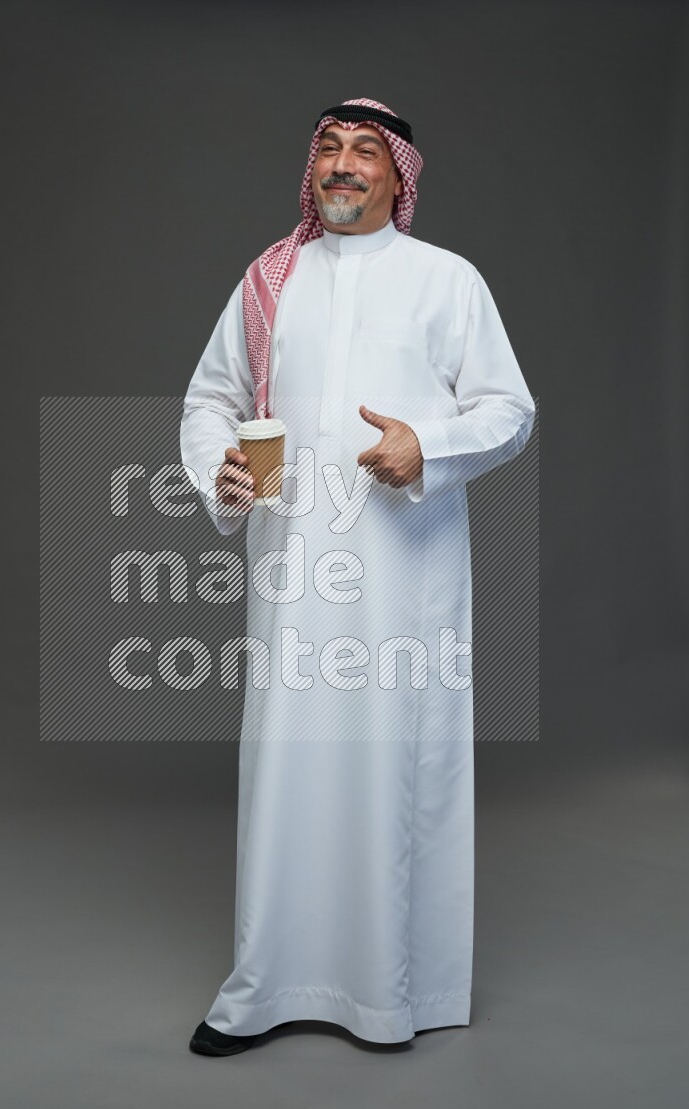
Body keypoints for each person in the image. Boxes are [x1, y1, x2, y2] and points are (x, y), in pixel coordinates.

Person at [180, 97, 535, 1057]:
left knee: (391, 769)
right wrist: (218, 468)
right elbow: (213, 394)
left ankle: (386, 992)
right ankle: (264, 987)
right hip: (294, 571)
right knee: (286, 768)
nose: (343, 166)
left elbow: (509, 409)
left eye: (365, 152)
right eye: (329, 149)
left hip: (404, 581)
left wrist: (431, 445)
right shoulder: (268, 281)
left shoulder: (446, 281)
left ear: (398, 176)